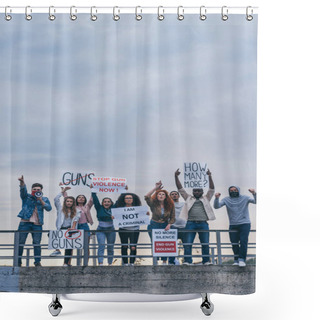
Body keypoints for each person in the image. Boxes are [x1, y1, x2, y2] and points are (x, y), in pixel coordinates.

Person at [174, 169, 215, 265]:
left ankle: (206, 261)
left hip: (203, 223)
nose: (197, 192)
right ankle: (188, 261)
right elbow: (180, 189)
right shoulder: (188, 198)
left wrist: (209, 176)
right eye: (195, 191)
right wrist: (176, 176)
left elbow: (212, 189)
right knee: (188, 243)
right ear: (192, 192)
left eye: (199, 191)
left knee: (205, 243)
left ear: (202, 191)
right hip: (190, 223)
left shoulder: (206, 198)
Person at [214, 186, 256, 267]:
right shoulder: (226, 199)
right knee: (234, 243)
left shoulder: (245, 198)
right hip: (233, 224)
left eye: (235, 190)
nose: (233, 191)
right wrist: (216, 198)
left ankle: (242, 260)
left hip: (245, 223)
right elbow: (217, 206)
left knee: (243, 242)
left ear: (238, 190)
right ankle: (236, 260)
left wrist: (254, 193)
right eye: (231, 190)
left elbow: (256, 201)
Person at [17, 175, 52, 267]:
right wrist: (22, 182)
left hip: (37, 224)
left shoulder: (44, 199)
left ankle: (37, 262)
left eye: (38, 189)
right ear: (32, 190)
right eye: (34, 189)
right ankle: (18, 261)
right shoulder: (27, 197)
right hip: (25, 223)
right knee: (20, 242)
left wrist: (40, 200)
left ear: (41, 190)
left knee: (36, 243)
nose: (36, 191)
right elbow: (23, 191)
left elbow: (49, 208)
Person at [51, 187, 94, 257]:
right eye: (79, 197)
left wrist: (93, 190)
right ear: (76, 200)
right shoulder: (74, 207)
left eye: (83, 197)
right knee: (70, 245)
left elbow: (92, 200)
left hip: (83, 226)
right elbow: (66, 198)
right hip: (74, 226)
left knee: (86, 246)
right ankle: (66, 260)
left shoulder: (86, 207)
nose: (81, 198)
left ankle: (86, 263)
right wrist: (63, 190)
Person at [145, 181, 175, 264]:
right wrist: (156, 188)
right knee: (155, 243)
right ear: (156, 196)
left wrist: (169, 224)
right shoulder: (153, 204)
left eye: (163, 194)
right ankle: (156, 261)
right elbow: (147, 196)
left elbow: (172, 217)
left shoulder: (170, 205)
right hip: (154, 224)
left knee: (164, 243)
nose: (161, 196)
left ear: (166, 196)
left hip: (165, 225)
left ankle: (164, 261)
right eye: (159, 194)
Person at [53, 186, 81, 266]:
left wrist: (73, 228)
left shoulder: (77, 211)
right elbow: (56, 199)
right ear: (65, 202)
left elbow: (76, 220)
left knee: (69, 247)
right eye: (67, 201)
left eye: (71, 202)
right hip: (61, 229)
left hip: (70, 230)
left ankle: (66, 263)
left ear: (73, 203)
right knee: (50, 235)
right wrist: (63, 191)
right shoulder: (60, 208)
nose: (69, 203)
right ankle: (57, 249)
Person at [114, 193, 142, 266]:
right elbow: (116, 216)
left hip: (134, 230)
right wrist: (114, 217)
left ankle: (132, 263)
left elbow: (142, 217)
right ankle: (125, 263)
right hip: (123, 230)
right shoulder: (120, 208)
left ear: (133, 199)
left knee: (133, 247)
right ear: (124, 199)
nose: (129, 199)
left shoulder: (137, 208)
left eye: (130, 198)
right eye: (127, 198)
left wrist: (146, 214)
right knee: (124, 246)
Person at [91, 190, 116, 266]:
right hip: (101, 229)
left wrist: (124, 191)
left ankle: (110, 263)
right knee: (101, 245)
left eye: (108, 201)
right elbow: (95, 199)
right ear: (102, 203)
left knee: (110, 247)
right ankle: (100, 263)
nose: (106, 203)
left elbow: (119, 201)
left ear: (111, 203)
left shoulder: (114, 209)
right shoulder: (99, 208)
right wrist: (93, 191)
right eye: (105, 201)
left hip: (111, 229)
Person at [168, 191, 186, 265]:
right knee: (172, 245)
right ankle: (171, 261)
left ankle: (187, 261)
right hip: (173, 227)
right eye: (172, 194)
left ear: (179, 196)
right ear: (170, 196)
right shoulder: (168, 205)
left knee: (186, 245)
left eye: (176, 194)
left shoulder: (184, 204)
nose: (174, 195)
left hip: (184, 227)